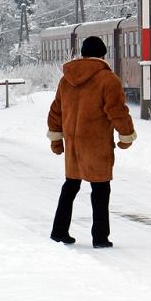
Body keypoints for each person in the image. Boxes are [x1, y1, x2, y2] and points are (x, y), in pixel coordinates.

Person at [47, 35, 136, 248]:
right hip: (96, 144)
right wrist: (126, 136)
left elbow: (55, 112)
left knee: (70, 186)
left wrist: (56, 140)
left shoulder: (65, 79)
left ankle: (59, 232)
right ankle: (100, 237)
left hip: (73, 145)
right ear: (103, 55)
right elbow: (117, 112)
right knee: (100, 190)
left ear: (83, 54)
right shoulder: (108, 79)